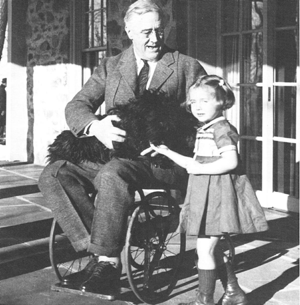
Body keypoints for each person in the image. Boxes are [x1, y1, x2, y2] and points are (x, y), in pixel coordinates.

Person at [38, 0, 206, 299]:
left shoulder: (185, 66)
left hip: (159, 163)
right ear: (129, 31)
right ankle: (101, 252)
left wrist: (173, 140)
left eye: (158, 30)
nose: (154, 39)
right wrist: (95, 127)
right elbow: (77, 105)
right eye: (145, 32)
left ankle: (108, 263)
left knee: (113, 173)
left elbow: (204, 120)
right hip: (113, 155)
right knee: (54, 173)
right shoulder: (111, 66)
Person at [145, 75, 269, 305]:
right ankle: (234, 293)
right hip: (205, 194)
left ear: (221, 101)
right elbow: (194, 162)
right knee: (211, 248)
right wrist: (167, 152)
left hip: (217, 197)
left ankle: (204, 301)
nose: (197, 107)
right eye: (193, 102)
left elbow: (230, 162)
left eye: (204, 101)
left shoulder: (222, 129)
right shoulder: (207, 127)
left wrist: (200, 169)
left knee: (204, 251)